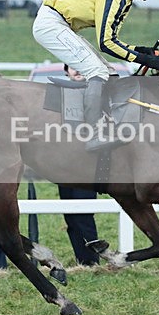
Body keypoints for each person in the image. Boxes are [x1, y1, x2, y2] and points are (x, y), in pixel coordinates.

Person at [32, 0, 159, 151]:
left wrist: (141, 51)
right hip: (51, 24)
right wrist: (143, 59)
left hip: (61, 24)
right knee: (97, 72)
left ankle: (111, 126)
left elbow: (113, 40)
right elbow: (105, 43)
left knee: (111, 73)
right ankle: (92, 134)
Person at [58, 65, 99, 265]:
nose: (76, 71)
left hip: (88, 165)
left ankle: (92, 260)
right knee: (71, 216)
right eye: (72, 67)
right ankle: (82, 260)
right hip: (63, 165)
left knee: (83, 213)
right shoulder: (60, 95)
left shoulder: (97, 92)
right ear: (66, 71)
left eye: (79, 66)